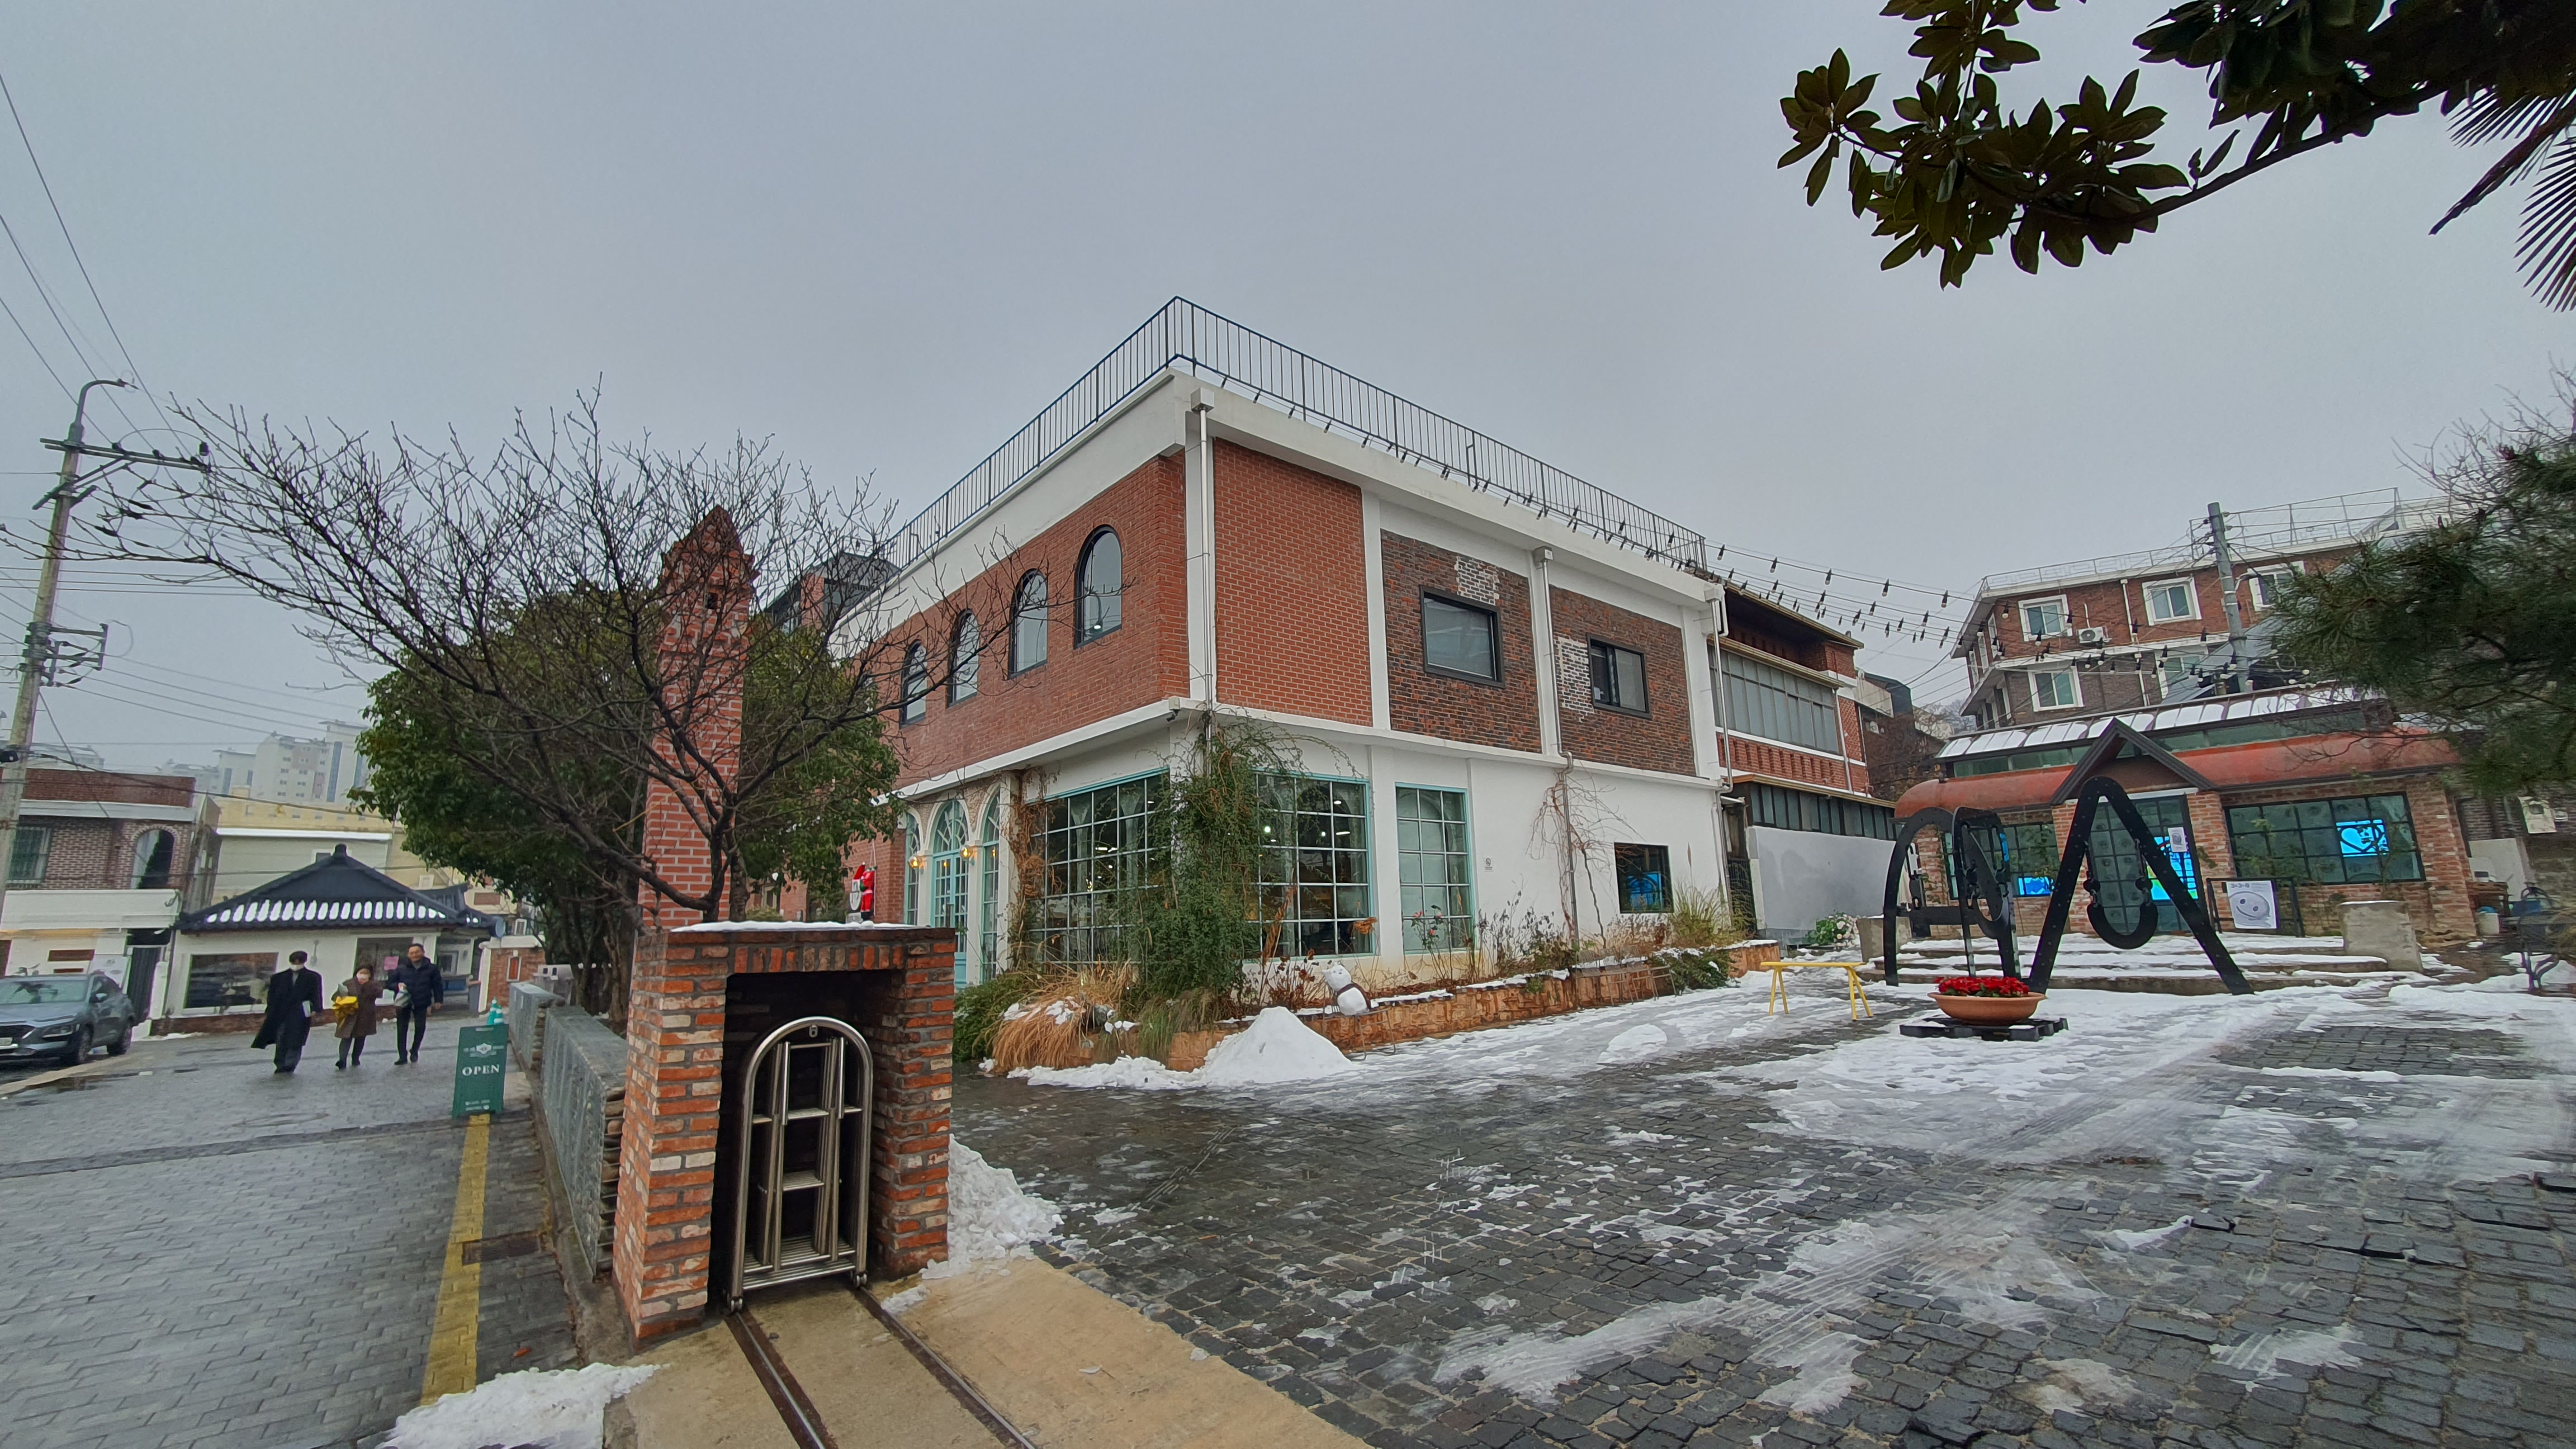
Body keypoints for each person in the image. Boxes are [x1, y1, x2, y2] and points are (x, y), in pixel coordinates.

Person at [250, 951, 324, 1074]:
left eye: (299, 962)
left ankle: (290, 1064)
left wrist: (316, 1009)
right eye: (295, 962)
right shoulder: (279, 978)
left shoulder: (313, 977)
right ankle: (280, 1064)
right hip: (281, 1013)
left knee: (296, 1040)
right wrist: (270, 1011)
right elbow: (272, 996)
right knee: (281, 1039)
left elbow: (316, 994)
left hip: (300, 1014)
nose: (296, 964)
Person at [387, 943, 444, 1065]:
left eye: (417, 952)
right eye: (411, 953)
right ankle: (402, 1056)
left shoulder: (432, 968)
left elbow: (437, 985)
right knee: (402, 1029)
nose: (414, 955)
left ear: (422, 953)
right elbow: (389, 984)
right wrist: (398, 986)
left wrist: (438, 1000)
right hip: (404, 1002)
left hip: (422, 1001)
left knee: (420, 1027)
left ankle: (415, 1050)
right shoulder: (401, 968)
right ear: (408, 955)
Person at [334, 962, 384, 1070]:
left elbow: (379, 994)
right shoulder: (348, 983)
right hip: (349, 1015)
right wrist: (343, 999)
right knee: (346, 1038)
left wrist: (368, 985)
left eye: (366, 973)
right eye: (361, 973)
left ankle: (356, 1059)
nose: (363, 976)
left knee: (360, 1038)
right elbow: (336, 996)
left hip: (365, 1016)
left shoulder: (374, 984)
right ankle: (342, 1060)